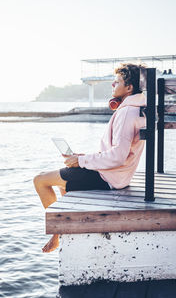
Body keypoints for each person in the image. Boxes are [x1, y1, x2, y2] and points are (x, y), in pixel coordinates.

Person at [33, 63, 147, 253]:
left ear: (129, 88)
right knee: (64, 182)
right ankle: (61, 231)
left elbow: (118, 156)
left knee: (40, 180)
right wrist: (83, 158)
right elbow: (117, 153)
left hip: (108, 177)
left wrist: (81, 162)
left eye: (117, 82)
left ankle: (58, 233)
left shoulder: (127, 112)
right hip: (114, 175)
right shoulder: (133, 108)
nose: (112, 84)